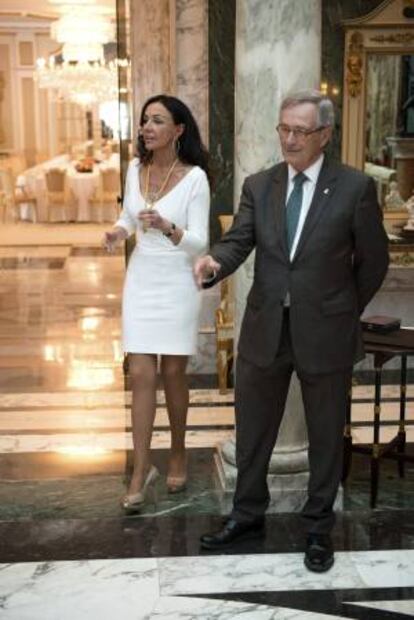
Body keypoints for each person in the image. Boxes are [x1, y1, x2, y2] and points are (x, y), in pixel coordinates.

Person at [194, 90, 389, 572]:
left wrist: (341, 308)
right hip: (265, 327)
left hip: (327, 331)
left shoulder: (355, 188)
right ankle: (246, 516)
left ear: (325, 134)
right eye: (284, 128)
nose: (289, 139)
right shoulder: (259, 185)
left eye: (301, 131)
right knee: (254, 428)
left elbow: (374, 261)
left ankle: (319, 528)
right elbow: (239, 240)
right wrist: (214, 262)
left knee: (325, 433)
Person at [104, 94, 211, 513]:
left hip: (178, 280)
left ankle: (180, 451)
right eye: (145, 120)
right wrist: (117, 232)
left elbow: (201, 243)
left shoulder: (196, 178)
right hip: (142, 277)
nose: (147, 127)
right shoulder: (134, 168)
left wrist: (167, 227)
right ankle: (141, 468)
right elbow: (130, 218)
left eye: (158, 121)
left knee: (172, 371)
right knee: (141, 372)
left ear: (178, 130)